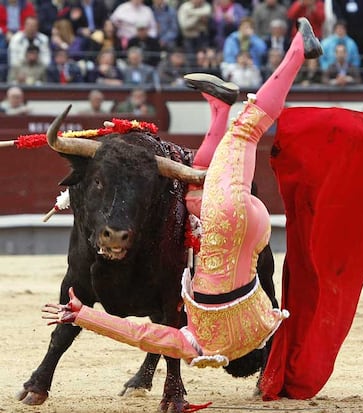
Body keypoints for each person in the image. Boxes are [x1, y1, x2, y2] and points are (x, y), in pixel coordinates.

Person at [42, 17, 323, 369]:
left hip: (250, 234)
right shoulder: (191, 342)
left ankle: (220, 107)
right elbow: (141, 333)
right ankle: (298, 50)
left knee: (200, 183)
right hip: (226, 222)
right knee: (247, 130)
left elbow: (272, 310)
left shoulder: (252, 329)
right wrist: (83, 315)